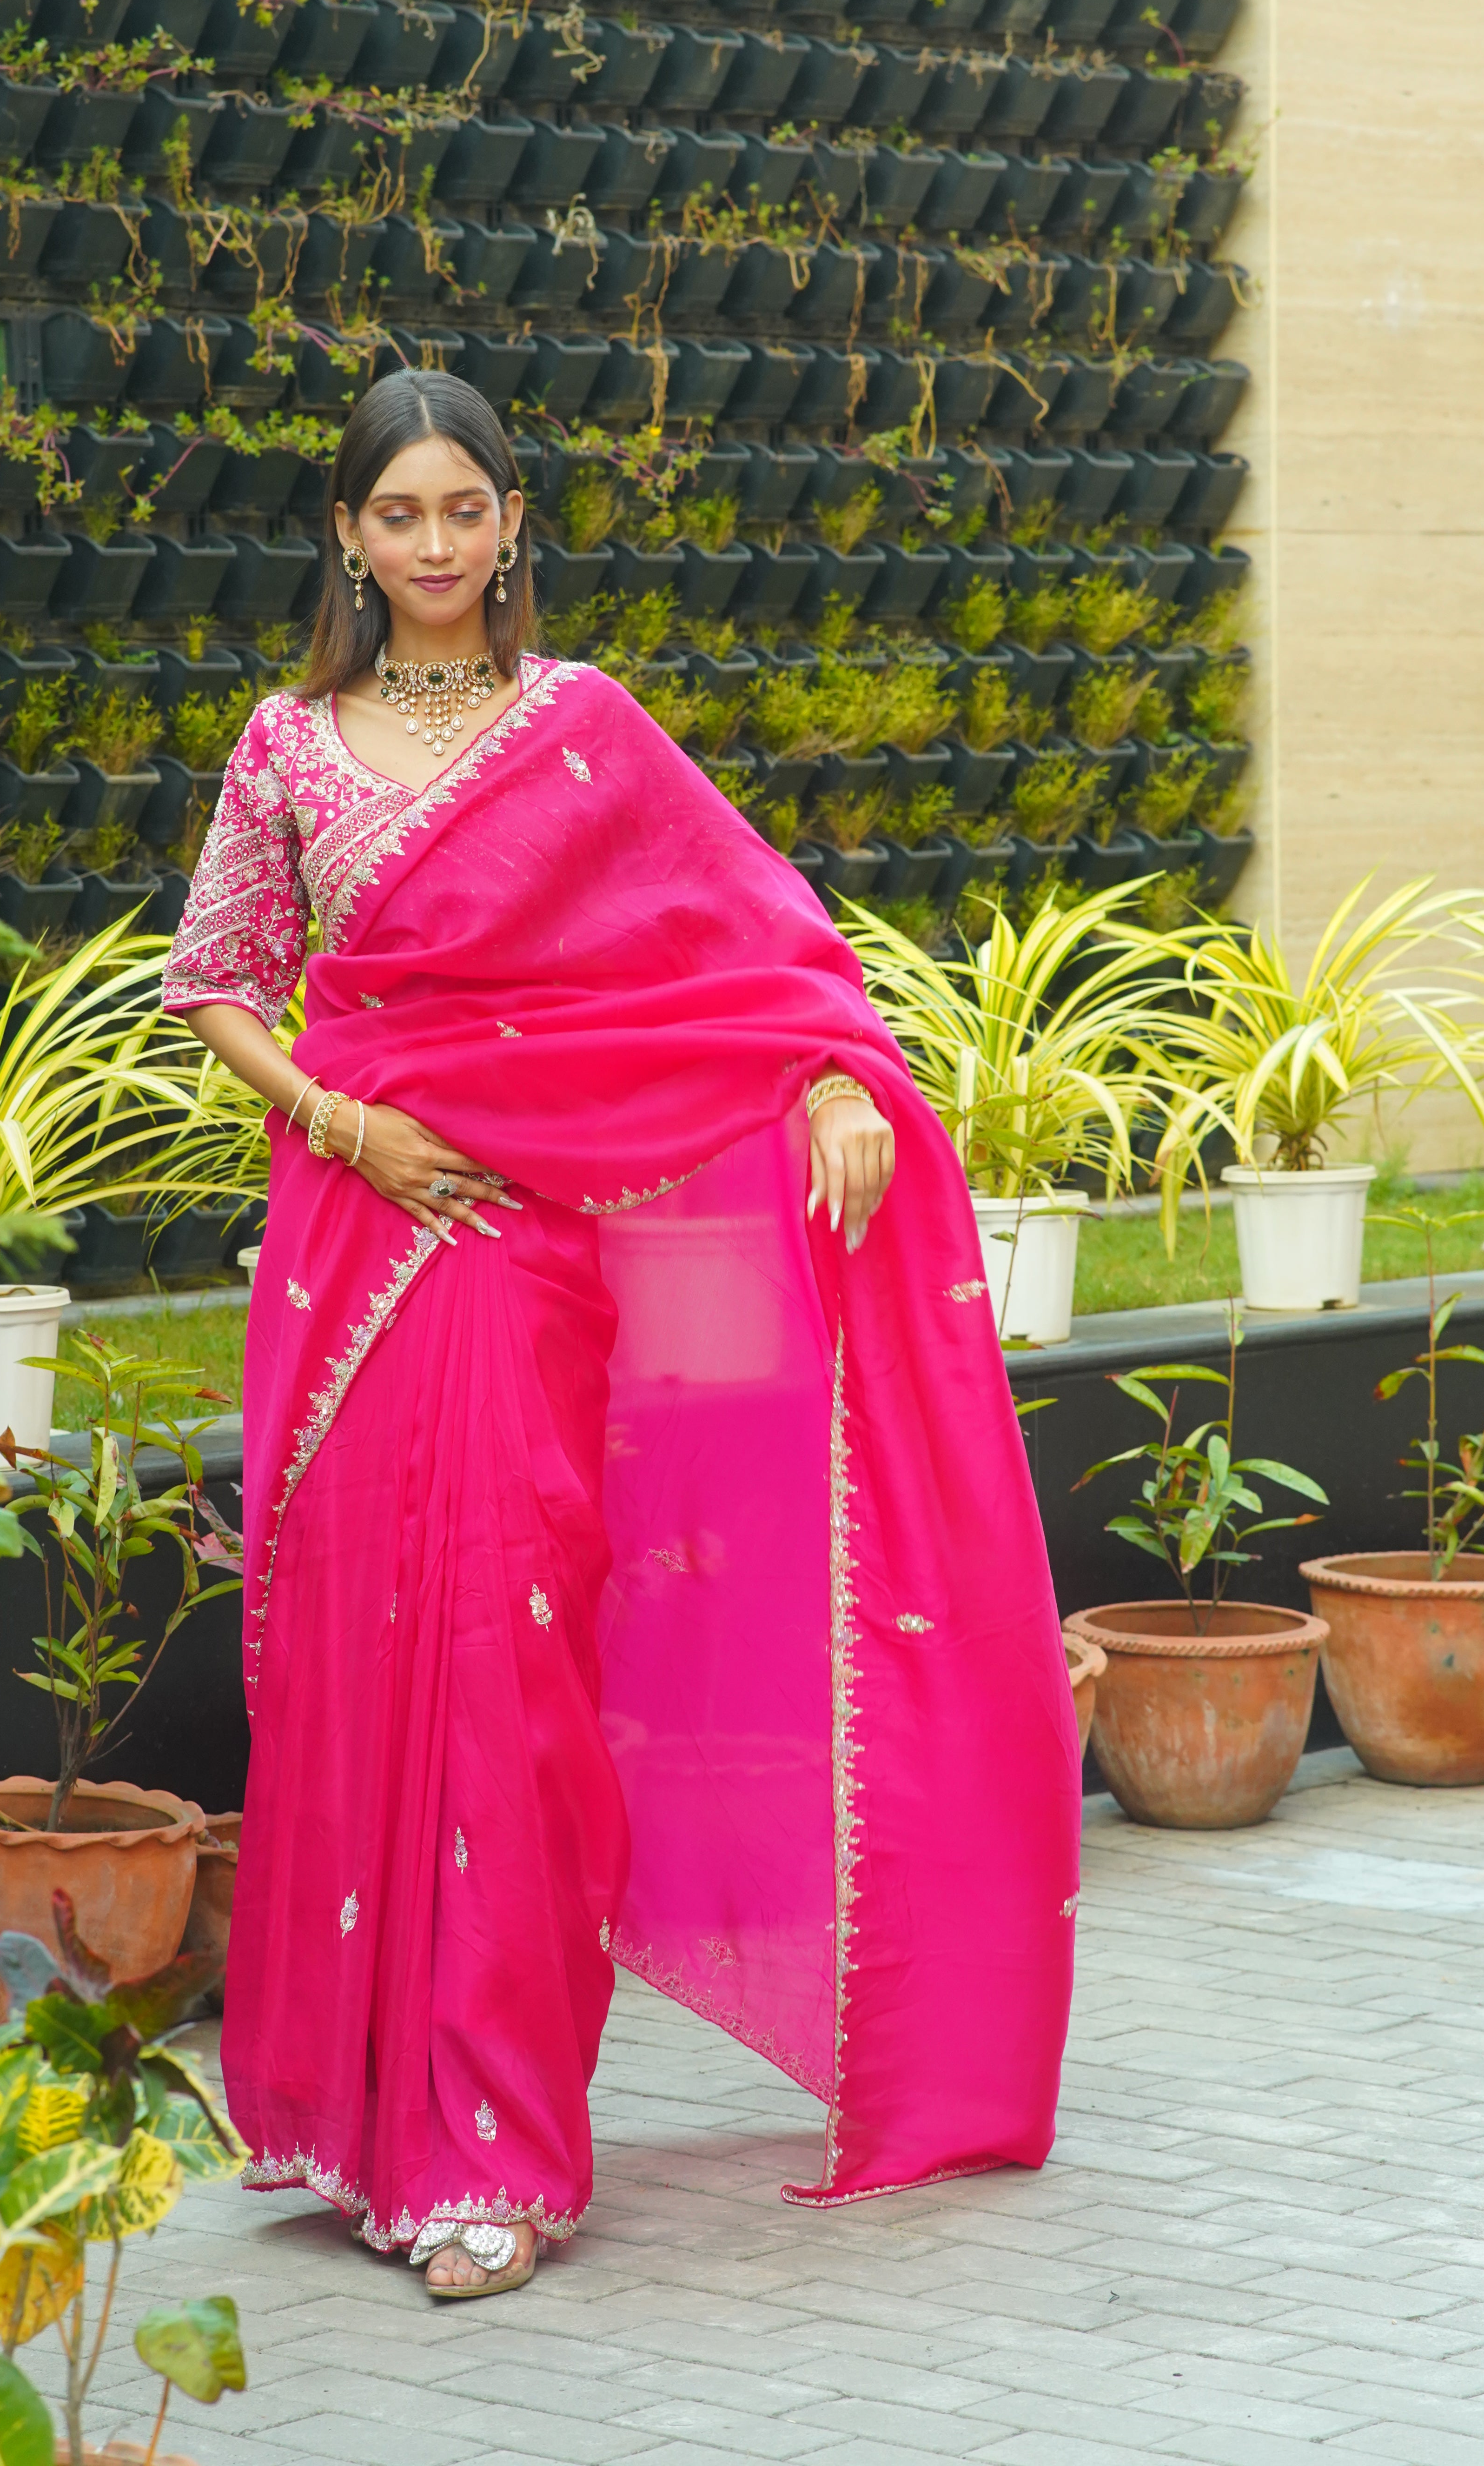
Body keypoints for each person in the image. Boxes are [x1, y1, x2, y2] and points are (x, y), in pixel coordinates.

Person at [165, 370, 1079, 2306]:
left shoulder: (582, 732)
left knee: (504, 1664)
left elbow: (750, 942)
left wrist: (839, 1080)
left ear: (512, 522)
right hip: (357, 1227)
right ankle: (350, 2125)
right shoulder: (286, 744)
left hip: (517, 1242)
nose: (430, 544)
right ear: (347, 533)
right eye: (395, 512)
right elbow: (220, 984)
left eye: (462, 509)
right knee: (353, 1658)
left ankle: (494, 2149)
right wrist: (344, 1120)